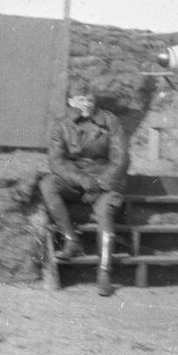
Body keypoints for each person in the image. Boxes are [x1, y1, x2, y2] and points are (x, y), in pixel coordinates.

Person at [40, 80, 129, 297]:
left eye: (90, 99)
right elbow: (56, 162)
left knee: (105, 212)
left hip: (105, 182)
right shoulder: (61, 125)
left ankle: (104, 272)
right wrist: (81, 180)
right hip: (75, 181)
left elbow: (120, 159)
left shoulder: (110, 122)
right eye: (81, 100)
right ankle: (71, 241)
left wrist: (101, 183)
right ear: (71, 101)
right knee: (47, 184)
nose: (86, 104)